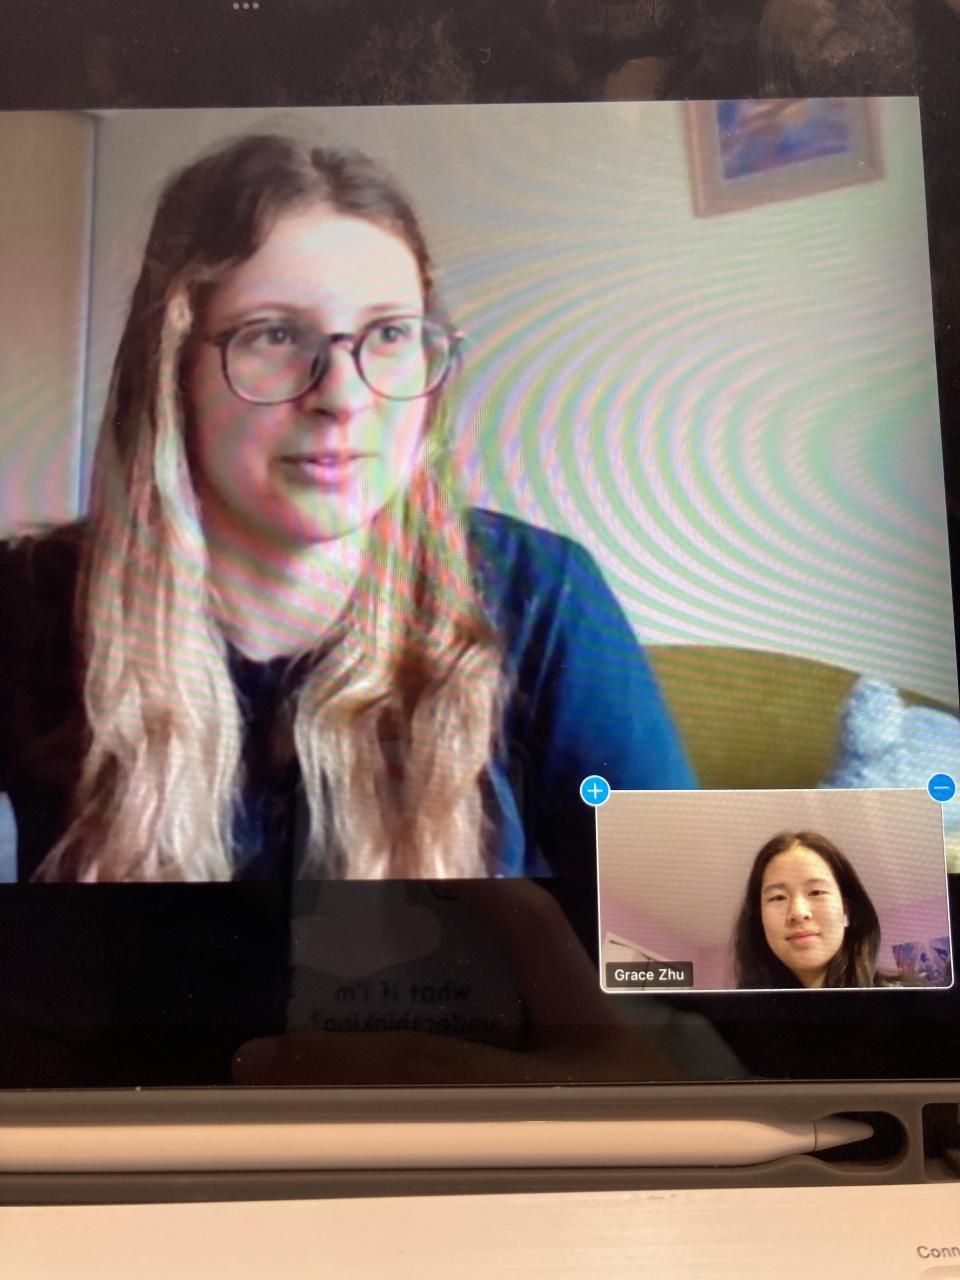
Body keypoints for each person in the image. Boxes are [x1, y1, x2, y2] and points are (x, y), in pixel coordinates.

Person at [0, 133, 694, 883]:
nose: (343, 395)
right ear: (173, 371)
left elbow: (684, 917)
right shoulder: (27, 605)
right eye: (275, 335)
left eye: (389, 333)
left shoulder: (539, 592)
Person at [733, 830, 884, 989]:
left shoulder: (900, 999)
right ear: (759, 918)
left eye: (816, 892)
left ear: (846, 910)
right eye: (778, 897)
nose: (798, 913)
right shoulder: (739, 1005)